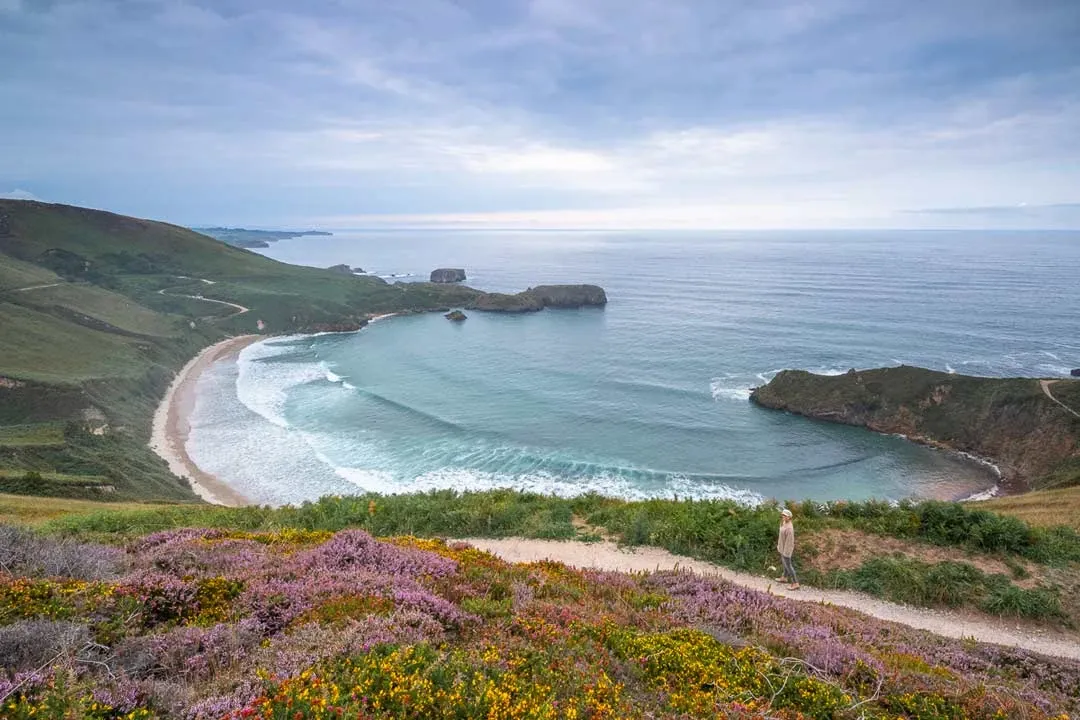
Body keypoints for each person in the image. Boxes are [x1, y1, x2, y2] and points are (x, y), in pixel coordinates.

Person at [775, 508, 800, 590]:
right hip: (782, 547)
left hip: (786, 549)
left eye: (785, 516)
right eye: (782, 515)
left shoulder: (789, 528)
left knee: (789, 566)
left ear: (789, 517)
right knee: (784, 563)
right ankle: (784, 578)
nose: (783, 517)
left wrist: (786, 553)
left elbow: (789, 542)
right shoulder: (784, 523)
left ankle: (795, 583)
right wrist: (779, 547)